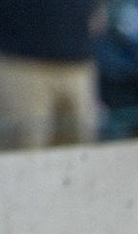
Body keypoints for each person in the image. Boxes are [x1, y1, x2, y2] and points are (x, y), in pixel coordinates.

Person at [0, 0, 102, 150]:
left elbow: (99, 18)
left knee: (81, 154)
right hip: (20, 64)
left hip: (78, 64)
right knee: (23, 151)